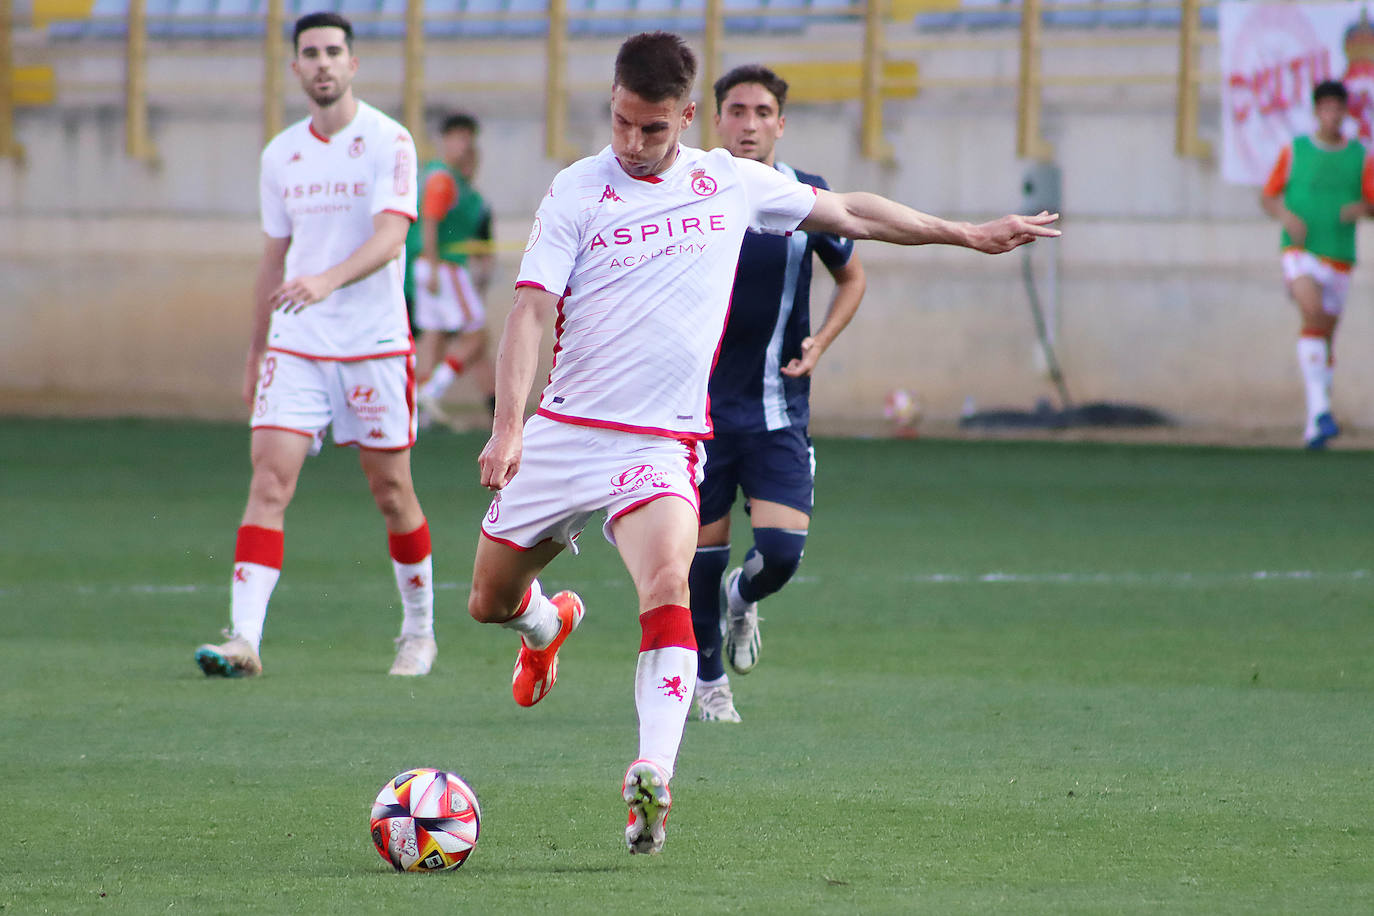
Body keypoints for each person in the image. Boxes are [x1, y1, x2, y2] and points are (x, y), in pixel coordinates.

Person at [468, 31, 1058, 856]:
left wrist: (967, 232)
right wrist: (509, 426)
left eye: (652, 130)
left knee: (669, 582)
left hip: (663, 442)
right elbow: (530, 310)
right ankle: (546, 627)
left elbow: (851, 210)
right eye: (621, 124)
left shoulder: (729, 181)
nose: (633, 145)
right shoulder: (576, 191)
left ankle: (653, 774)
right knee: (489, 602)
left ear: (684, 117)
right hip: (566, 433)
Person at [194, 11, 437, 679]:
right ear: (296, 68)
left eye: (334, 51)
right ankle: (244, 640)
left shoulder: (390, 140)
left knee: (391, 491)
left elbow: (393, 237)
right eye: (311, 53)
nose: (324, 62)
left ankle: (419, 632)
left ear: (352, 64)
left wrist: (325, 281)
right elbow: (273, 261)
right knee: (269, 482)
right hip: (298, 345)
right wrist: (256, 350)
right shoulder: (280, 154)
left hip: (374, 344)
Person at [684, 65, 866, 724]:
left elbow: (853, 277)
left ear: (780, 125)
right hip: (695, 413)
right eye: (737, 110)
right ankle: (708, 682)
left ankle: (744, 597)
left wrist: (821, 342)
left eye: (763, 112)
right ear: (716, 119)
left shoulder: (806, 198)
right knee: (697, 557)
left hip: (775, 408)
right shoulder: (685, 193)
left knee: (782, 555)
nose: (749, 124)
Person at [1261, 79, 1374, 449]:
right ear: (1316, 112)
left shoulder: (1361, 155)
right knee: (1310, 312)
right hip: (1300, 250)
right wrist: (1285, 215)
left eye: (1338, 108)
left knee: (1325, 334)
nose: (1332, 115)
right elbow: (1269, 195)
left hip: (1339, 254)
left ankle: (1315, 423)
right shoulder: (1295, 151)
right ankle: (1323, 410)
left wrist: (1362, 208)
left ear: (1345, 112)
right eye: (1325, 108)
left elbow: (1373, 202)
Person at [406, 113, 497, 428]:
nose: (464, 145)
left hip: (430, 267)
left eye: (467, 138)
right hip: (443, 268)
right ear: (445, 140)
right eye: (458, 137)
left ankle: (420, 415)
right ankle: (431, 391)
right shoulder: (442, 178)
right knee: (477, 336)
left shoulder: (450, 179)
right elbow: (429, 222)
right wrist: (432, 266)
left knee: (435, 338)